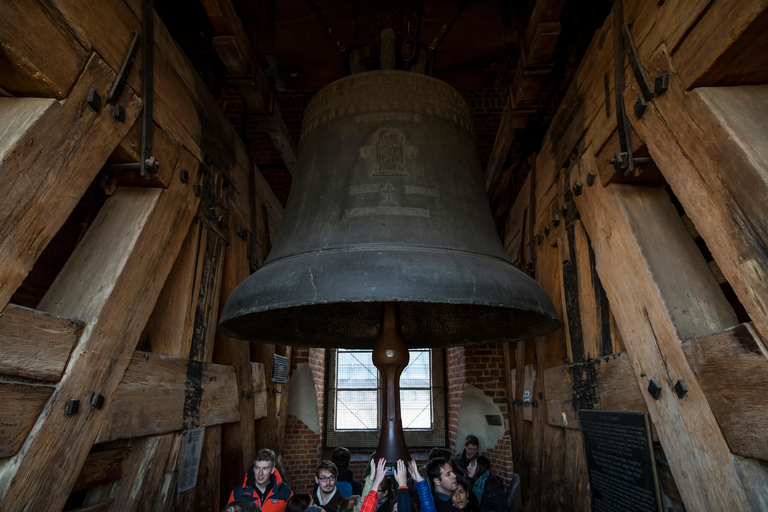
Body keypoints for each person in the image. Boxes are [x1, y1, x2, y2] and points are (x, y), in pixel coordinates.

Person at [229, 449, 293, 512]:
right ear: (253, 468)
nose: (260, 473)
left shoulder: (286, 492)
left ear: (272, 470)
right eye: (257, 468)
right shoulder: (237, 493)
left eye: (265, 468)